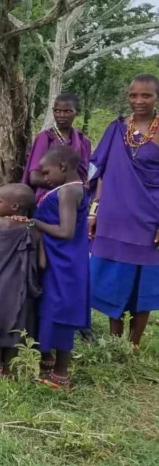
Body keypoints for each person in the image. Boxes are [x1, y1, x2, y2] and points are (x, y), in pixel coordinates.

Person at [89, 74, 159, 350]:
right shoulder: (116, 129)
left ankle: (134, 345)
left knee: (144, 282)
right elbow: (98, 170)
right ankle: (114, 341)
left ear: (156, 97)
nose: (139, 101)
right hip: (113, 217)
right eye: (133, 95)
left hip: (149, 220)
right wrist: (93, 212)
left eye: (146, 95)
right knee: (112, 280)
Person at [33, 145, 90, 390]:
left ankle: (60, 374)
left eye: (46, 173)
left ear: (63, 168)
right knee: (51, 308)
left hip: (65, 261)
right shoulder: (70, 188)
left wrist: (36, 223)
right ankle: (48, 360)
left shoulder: (68, 192)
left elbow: (66, 231)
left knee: (62, 312)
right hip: (60, 258)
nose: (44, 179)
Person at [0, 183, 45, 380]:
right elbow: (42, 264)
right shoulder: (34, 230)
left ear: (15, 206)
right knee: (17, 323)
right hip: (22, 288)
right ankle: (9, 368)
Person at [23, 93, 92, 202]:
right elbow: (34, 177)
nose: (61, 115)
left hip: (77, 198)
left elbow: (86, 176)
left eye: (67, 111)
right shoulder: (45, 138)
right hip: (48, 197)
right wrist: (69, 187)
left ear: (77, 112)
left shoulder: (83, 141)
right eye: (57, 111)